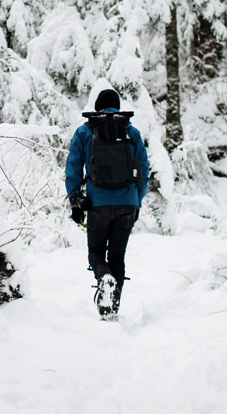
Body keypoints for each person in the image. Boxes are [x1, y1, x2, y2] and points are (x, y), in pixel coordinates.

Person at [65, 88, 150, 319]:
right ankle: (111, 310)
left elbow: (73, 168)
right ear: (118, 106)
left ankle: (104, 279)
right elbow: (143, 172)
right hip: (127, 205)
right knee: (117, 258)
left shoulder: (84, 132)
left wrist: (75, 199)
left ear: (97, 107)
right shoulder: (131, 132)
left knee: (95, 253)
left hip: (97, 204)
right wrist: (136, 202)